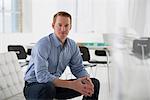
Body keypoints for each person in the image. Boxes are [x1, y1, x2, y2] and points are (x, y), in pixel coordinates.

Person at [23, 11, 100, 100]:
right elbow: (42, 76)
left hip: (54, 85)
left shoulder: (72, 45)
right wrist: (72, 85)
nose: (63, 29)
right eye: (59, 25)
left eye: (66, 25)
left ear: (70, 27)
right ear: (53, 26)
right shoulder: (43, 44)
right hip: (34, 86)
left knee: (94, 84)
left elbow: (78, 68)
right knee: (48, 87)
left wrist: (86, 79)